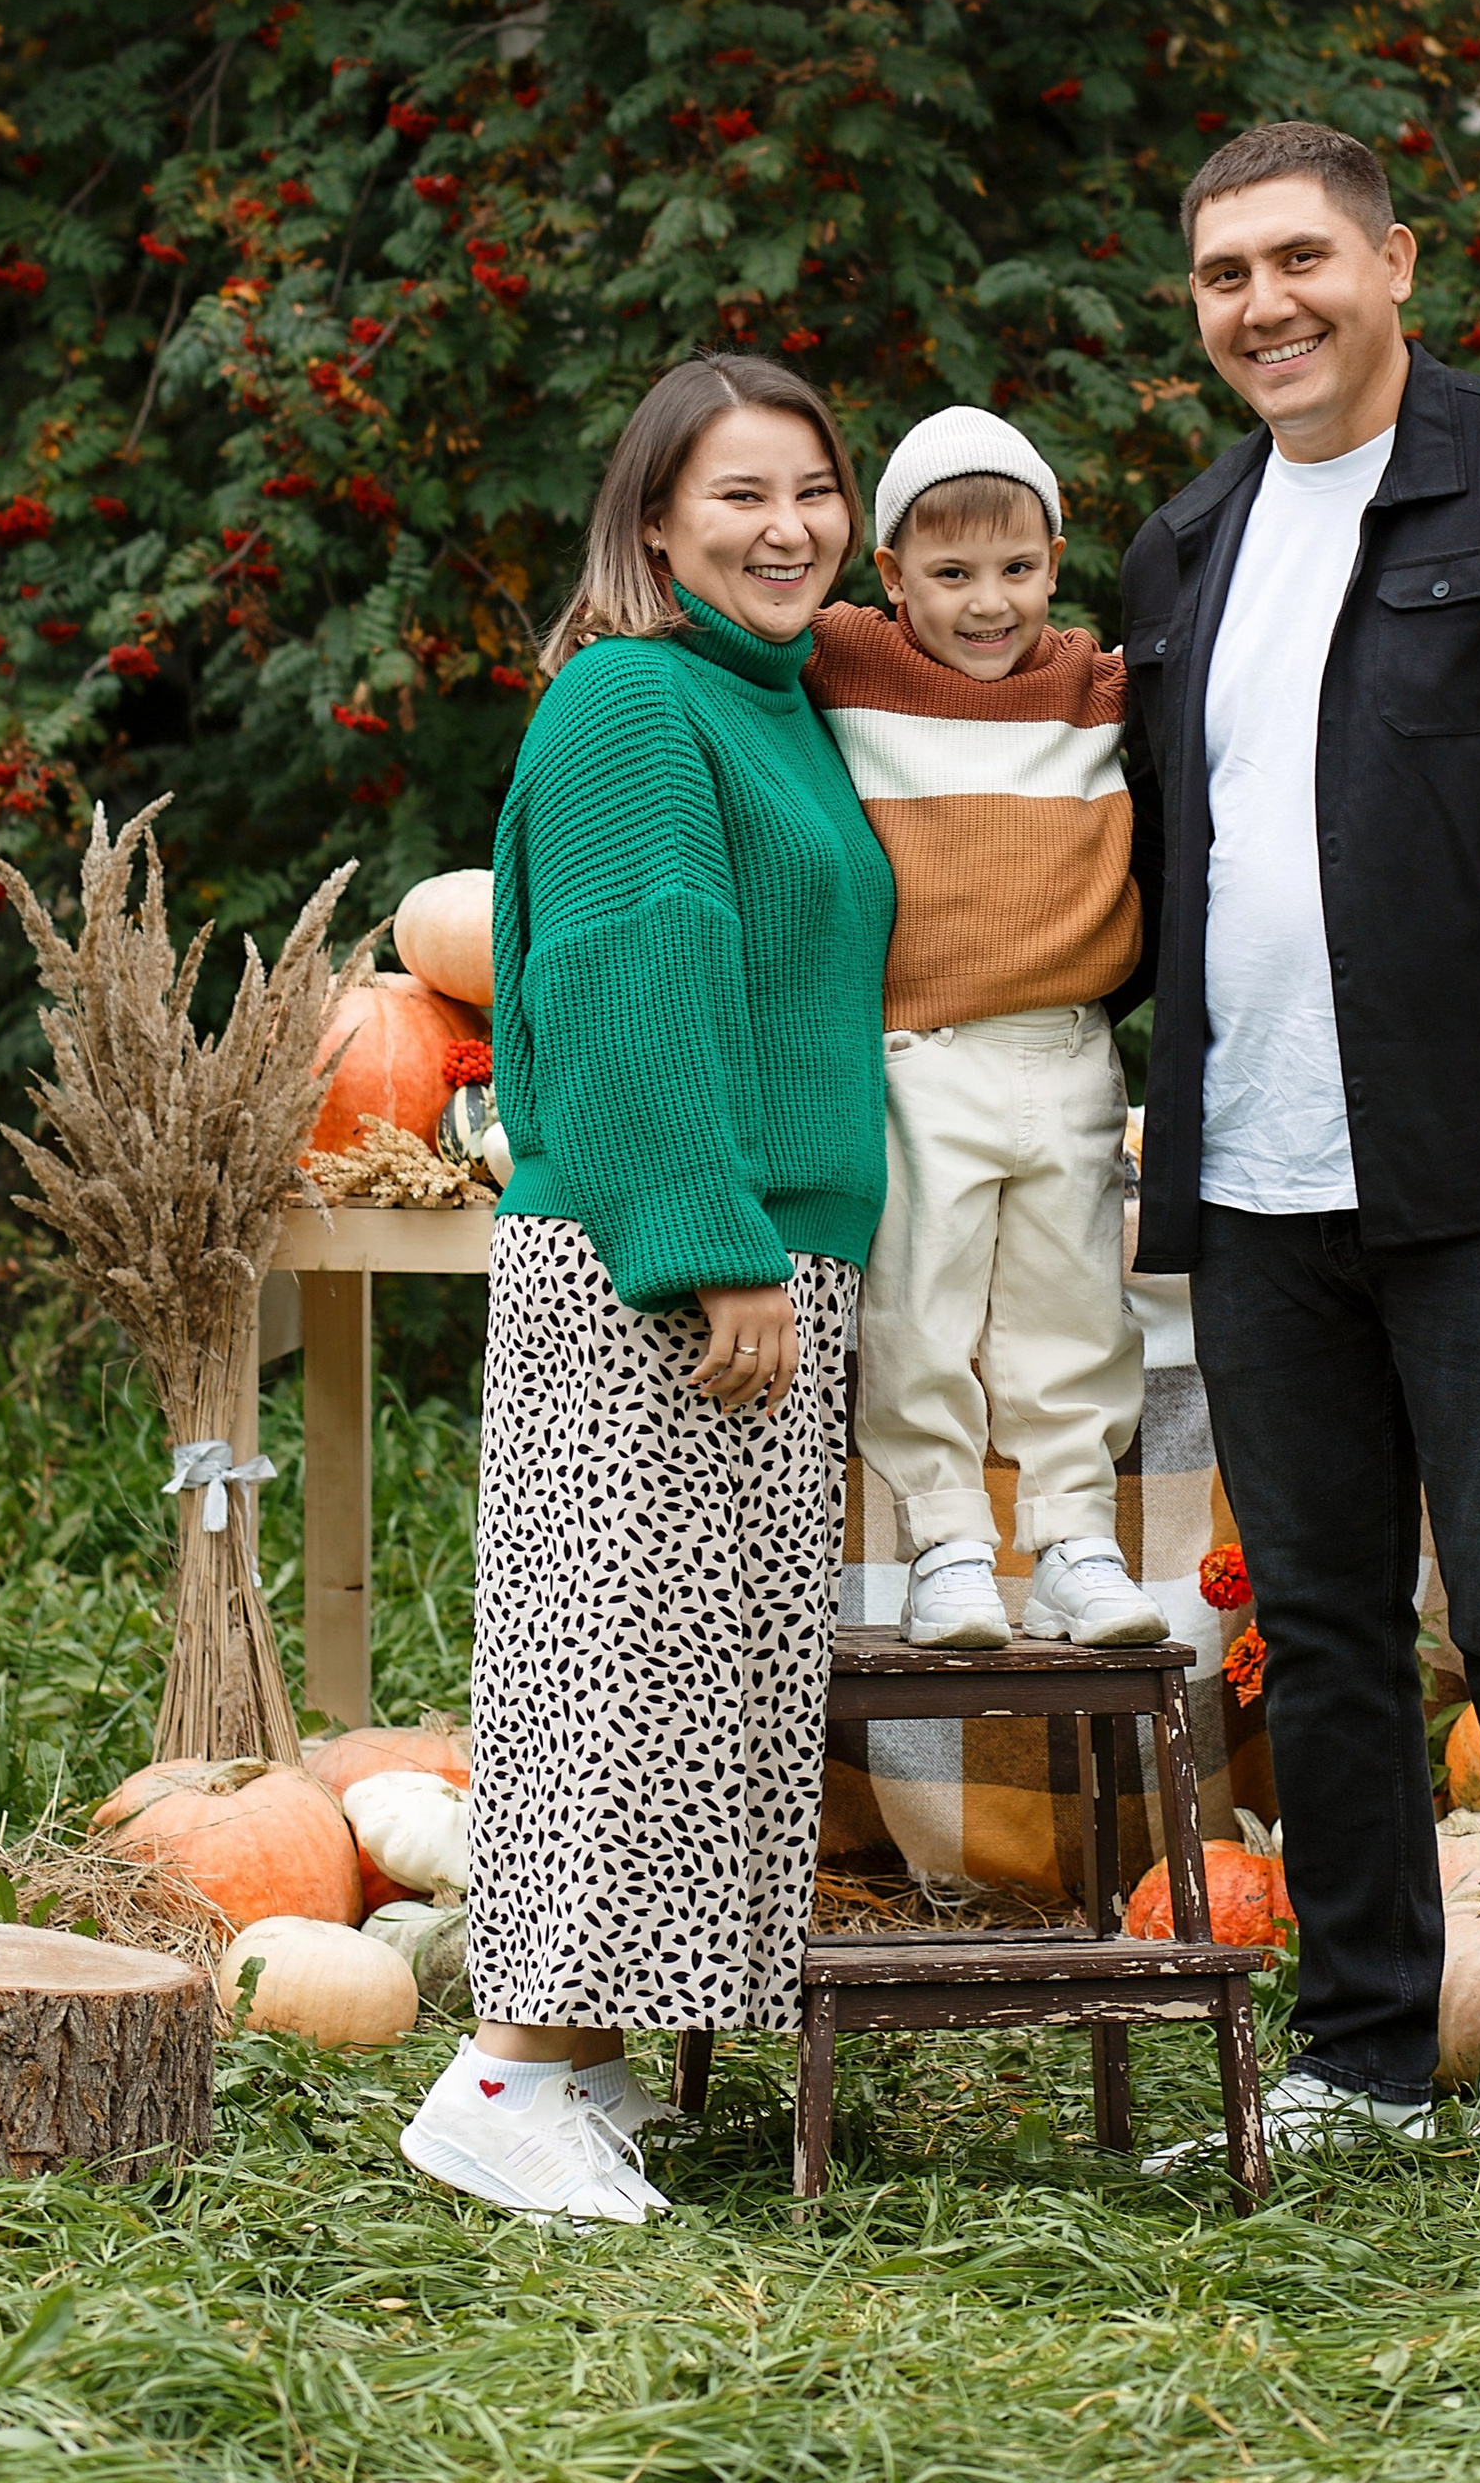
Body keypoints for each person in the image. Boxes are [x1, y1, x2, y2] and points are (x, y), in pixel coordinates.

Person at [1122, 121, 1480, 2244]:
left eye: (1299, 258)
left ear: (1394, 261)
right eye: (1223, 275)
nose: (1262, 305)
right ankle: (1365, 2052)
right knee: (1318, 1633)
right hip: (1250, 1183)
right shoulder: (1184, 549)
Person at [399, 354, 895, 2225]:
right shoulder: (632, 698)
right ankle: (505, 2078)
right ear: (656, 521)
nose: (788, 528)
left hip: (759, 1257)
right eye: (741, 495)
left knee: (697, 1686)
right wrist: (712, 1246)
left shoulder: (770, 701)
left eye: (813, 492)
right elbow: (630, 977)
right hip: (663, 1267)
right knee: (613, 1675)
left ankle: (577, 2062)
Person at [805, 405, 1165, 1652]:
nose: (987, 602)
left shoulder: (1092, 687)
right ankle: (947, 1544)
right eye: (950, 573)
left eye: (1016, 568)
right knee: (917, 1309)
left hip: (1067, 1051)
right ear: (892, 574)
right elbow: (730, 621)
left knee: (1075, 1311)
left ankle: (1074, 1544)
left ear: (1054, 564)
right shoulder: (846, 658)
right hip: (919, 1057)